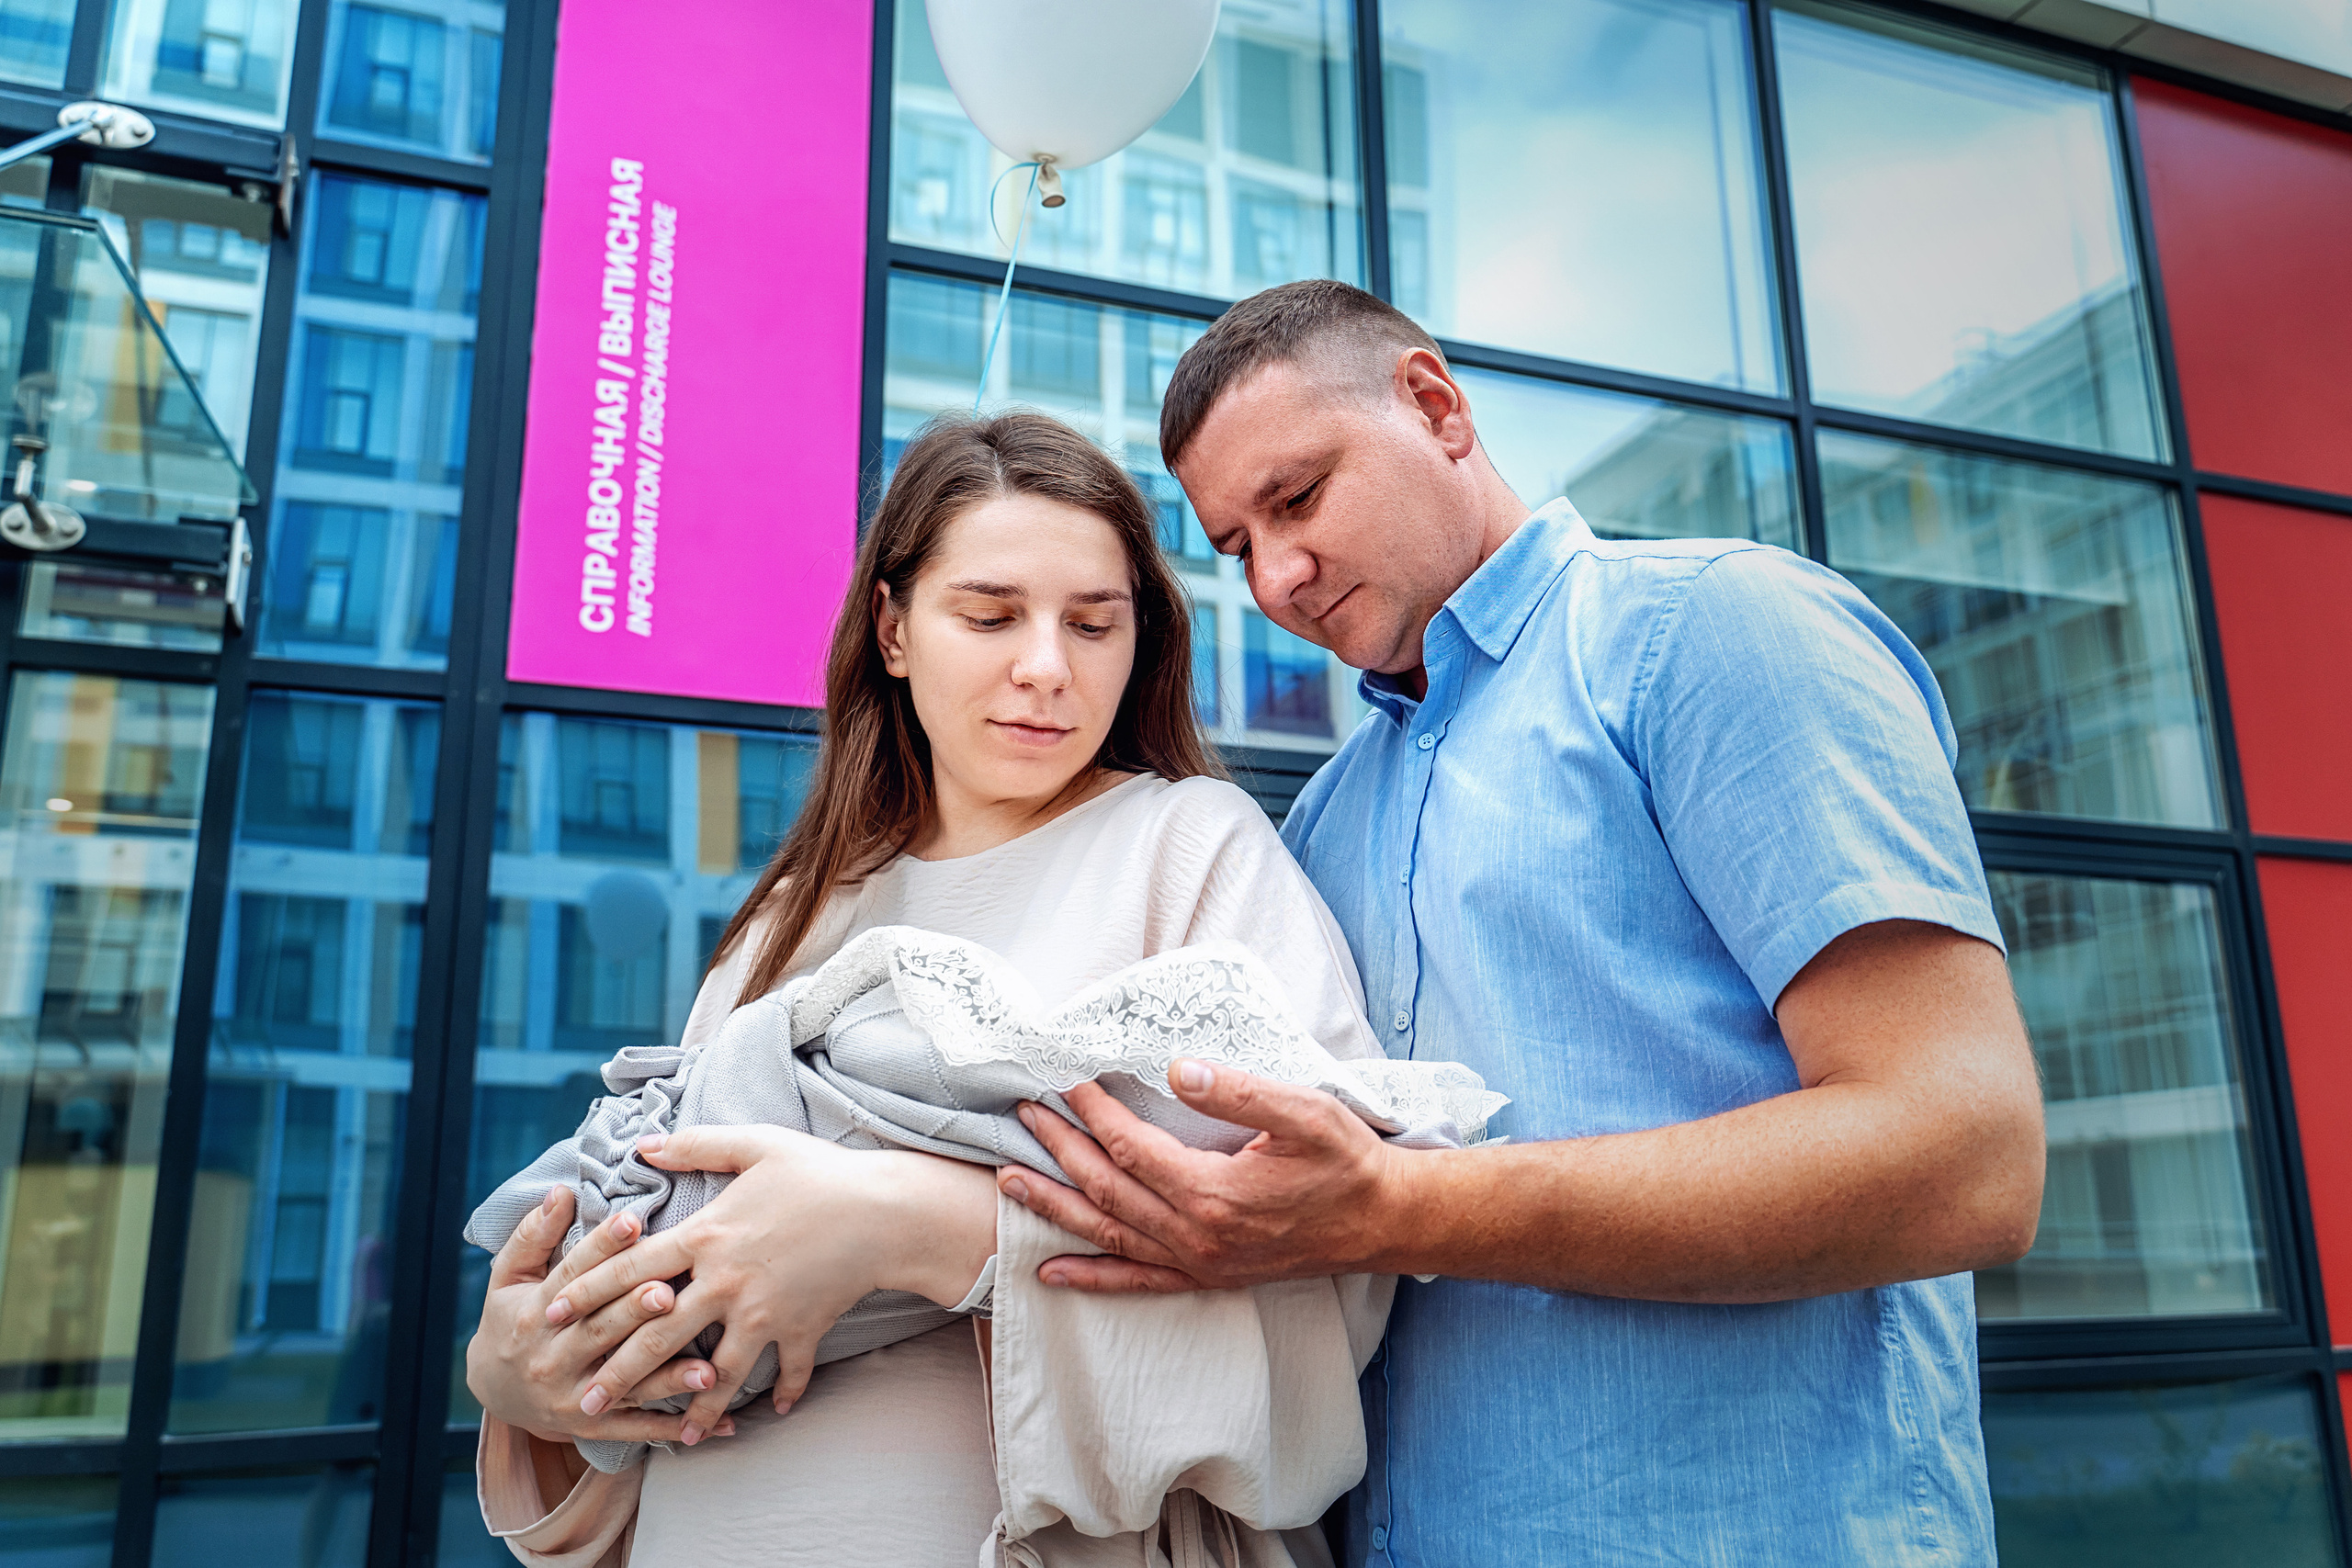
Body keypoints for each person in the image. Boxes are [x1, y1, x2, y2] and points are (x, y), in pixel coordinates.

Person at [991, 280, 2049, 1565]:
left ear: (1435, 407)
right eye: (1233, 546)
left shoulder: (1713, 634)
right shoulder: (1323, 822)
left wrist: (1400, 1203)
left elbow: (1968, 1151)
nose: (1277, 575)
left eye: (1299, 497)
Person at [463, 411, 1408, 1568]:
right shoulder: (789, 916)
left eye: (1094, 624)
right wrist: (529, 1386)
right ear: (894, 630)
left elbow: (1334, 1250)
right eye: (991, 614)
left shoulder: (1187, 846)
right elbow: (660, 1247)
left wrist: (909, 1226)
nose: (1047, 668)